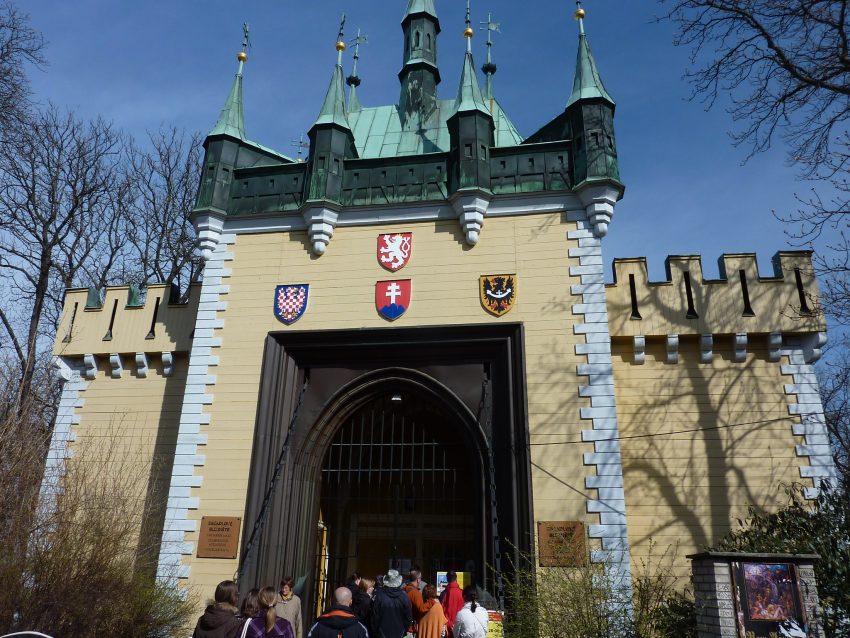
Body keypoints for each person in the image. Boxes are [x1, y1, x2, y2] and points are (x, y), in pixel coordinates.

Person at [371, 568, 413, 638]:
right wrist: (403, 632)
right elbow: (408, 618)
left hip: (381, 633)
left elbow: (374, 618)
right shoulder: (404, 597)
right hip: (399, 633)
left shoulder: (380, 596)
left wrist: (376, 633)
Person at [439, 572, 464, 638]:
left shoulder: (443, 593)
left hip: (447, 627)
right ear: (456, 579)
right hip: (460, 627)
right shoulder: (463, 593)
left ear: (447, 580)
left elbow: (441, 611)